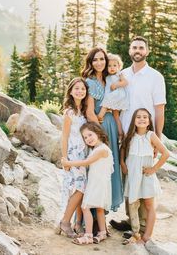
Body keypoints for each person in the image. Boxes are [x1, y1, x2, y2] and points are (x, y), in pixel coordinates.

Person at [110, 36, 166, 232]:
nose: (138, 50)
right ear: (129, 50)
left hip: (145, 136)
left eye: (141, 47)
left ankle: (142, 225)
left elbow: (159, 110)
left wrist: (157, 138)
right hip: (125, 136)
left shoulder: (155, 77)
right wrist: (118, 128)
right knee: (129, 176)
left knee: (143, 178)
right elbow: (115, 103)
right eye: (134, 47)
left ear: (147, 51)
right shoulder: (122, 74)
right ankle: (130, 219)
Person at [81, 47, 123, 212]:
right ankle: (89, 215)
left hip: (111, 124)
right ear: (91, 62)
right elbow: (90, 112)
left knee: (108, 169)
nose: (99, 63)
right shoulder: (91, 82)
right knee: (96, 170)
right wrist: (100, 135)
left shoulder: (110, 80)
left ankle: (102, 213)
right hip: (99, 129)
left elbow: (117, 105)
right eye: (95, 60)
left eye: (102, 59)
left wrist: (118, 127)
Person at [121, 108, 169, 244]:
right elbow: (123, 149)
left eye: (145, 117)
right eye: (138, 117)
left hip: (146, 176)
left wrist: (154, 168)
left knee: (149, 206)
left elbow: (166, 153)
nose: (141, 119)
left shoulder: (151, 135)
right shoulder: (129, 135)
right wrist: (122, 164)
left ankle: (147, 236)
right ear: (134, 121)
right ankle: (135, 232)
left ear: (149, 121)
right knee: (133, 203)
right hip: (133, 176)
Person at [61, 122, 114, 245]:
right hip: (100, 183)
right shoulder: (97, 148)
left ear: (98, 133)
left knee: (85, 207)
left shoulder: (102, 150)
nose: (88, 139)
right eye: (85, 137)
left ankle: (88, 235)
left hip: (97, 183)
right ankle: (102, 233)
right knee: (99, 209)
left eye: (90, 135)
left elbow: (86, 162)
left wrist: (68, 163)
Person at [56, 77, 88, 238]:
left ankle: (71, 222)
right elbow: (64, 136)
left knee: (79, 188)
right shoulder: (69, 112)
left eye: (83, 89)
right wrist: (64, 158)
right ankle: (65, 222)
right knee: (79, 189)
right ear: (70, 91)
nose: (80, 91)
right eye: (77, 88)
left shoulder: (85, 110)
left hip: (84, 153)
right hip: (73, 154)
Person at [97, 53, 128, 141]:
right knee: (116, 116)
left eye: (115, 65)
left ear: (119, 66)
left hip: (117, 94)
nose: (112, 68)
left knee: (106, 102)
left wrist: (117, 84)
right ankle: (120, 133)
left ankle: (100, 116)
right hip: (113, 96)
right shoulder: (106, 76)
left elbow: (125, 82)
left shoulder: (119, 74)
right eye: (109, 66)